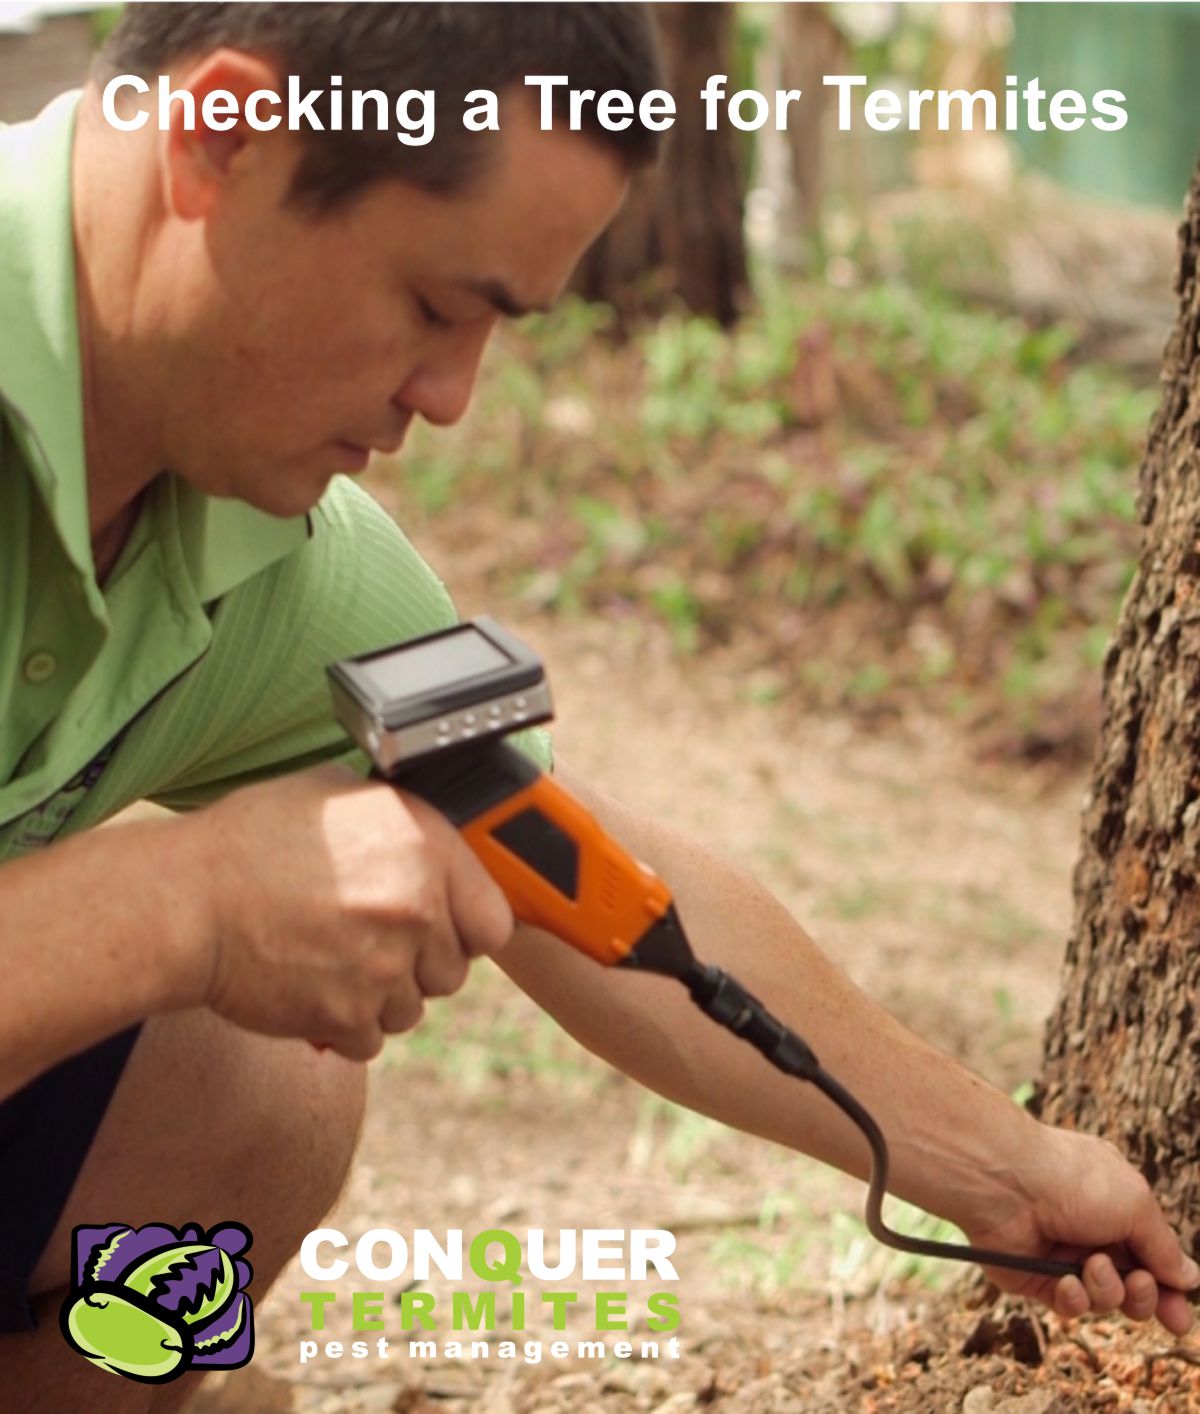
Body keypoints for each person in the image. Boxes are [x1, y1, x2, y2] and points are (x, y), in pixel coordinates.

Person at [0, 4, 1194, 1406]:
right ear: (222, 138)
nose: (448, 399)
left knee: (255, 1099)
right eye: (438, 306)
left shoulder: (264, 541)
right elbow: (188, 905)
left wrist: (1010, 1171)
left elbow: (568, 861)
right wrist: (184, 900)